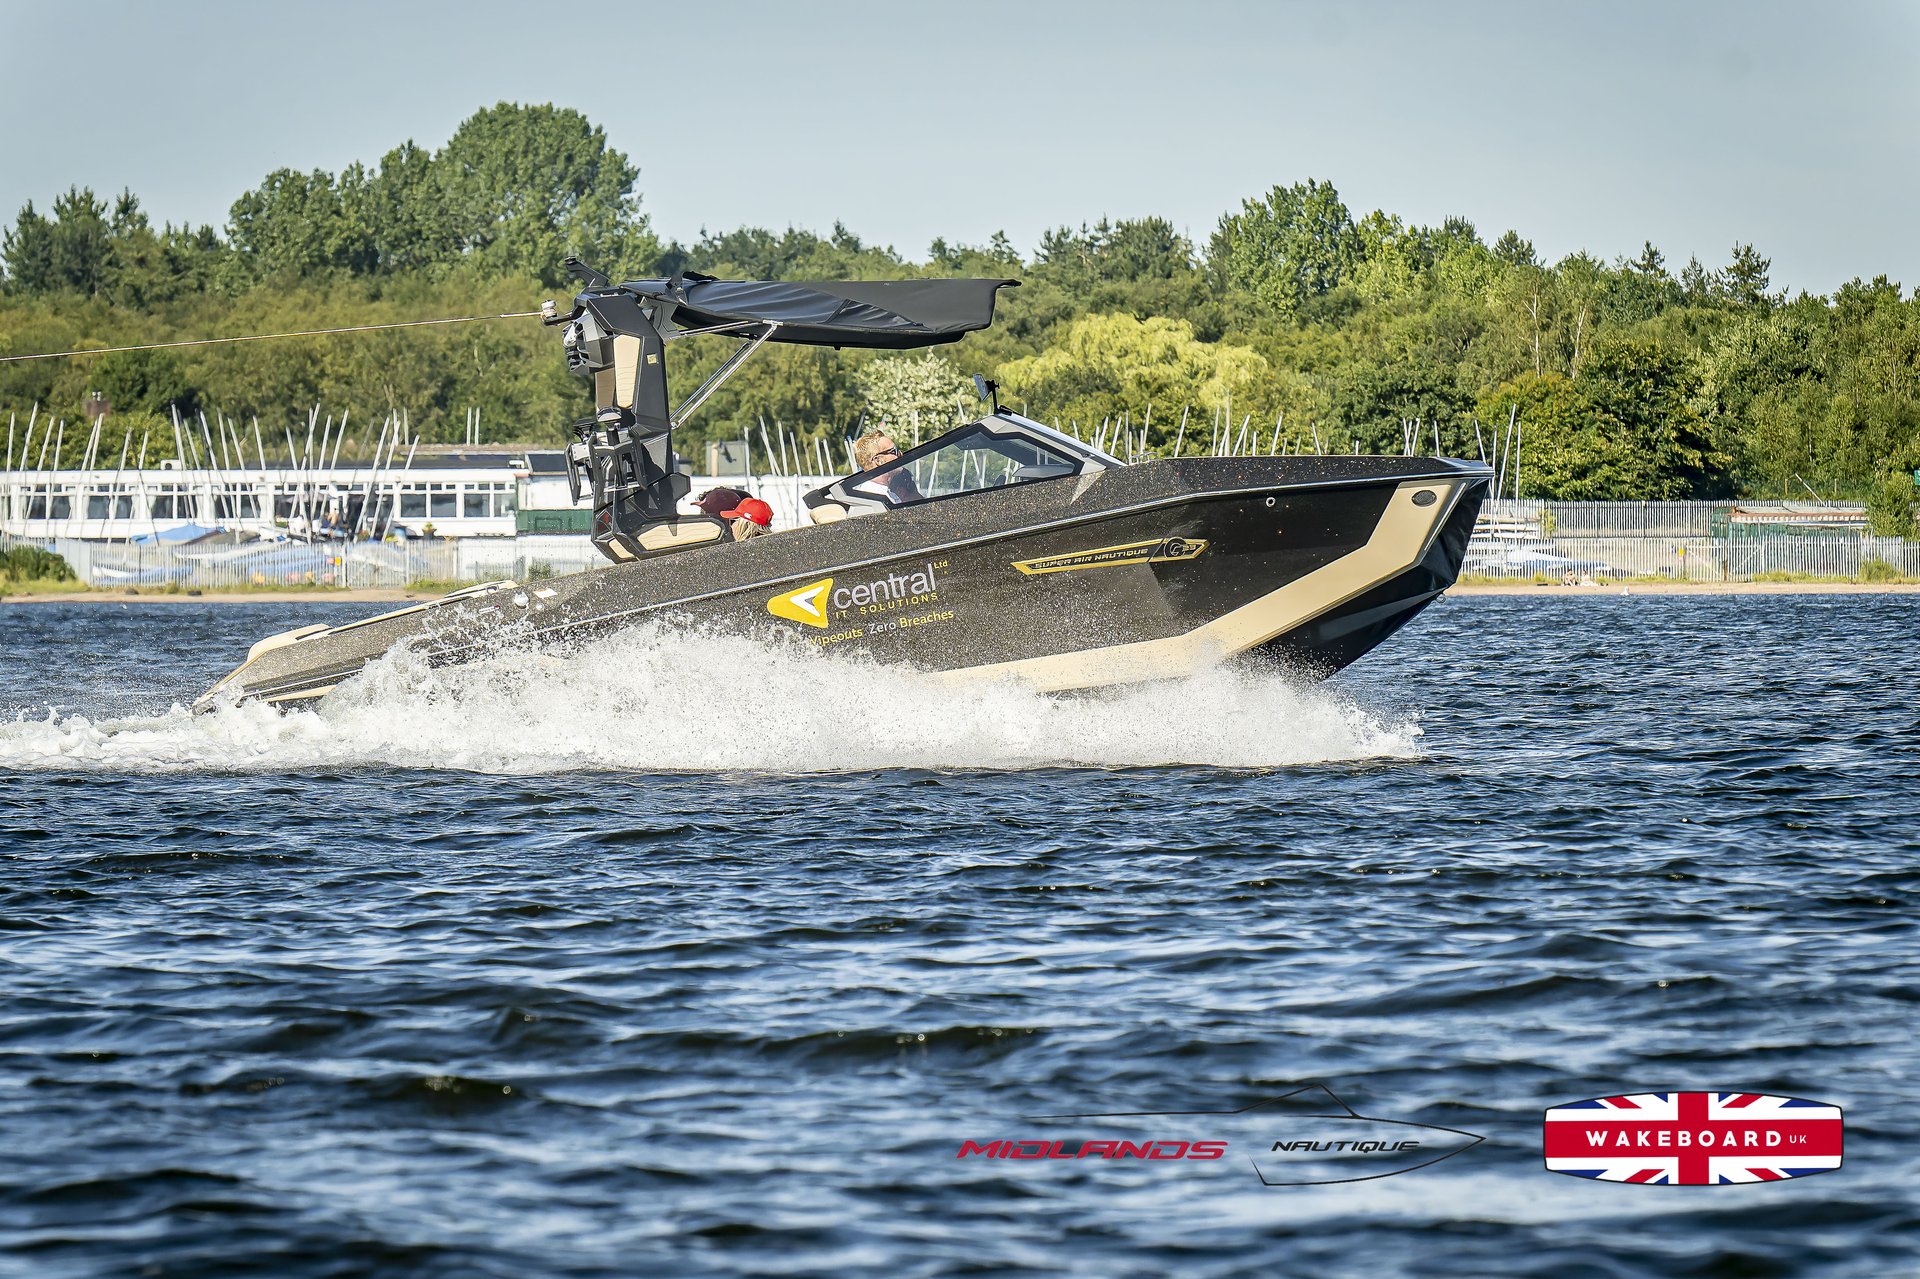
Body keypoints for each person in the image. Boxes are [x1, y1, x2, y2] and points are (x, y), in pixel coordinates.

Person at [851, 429, 923, 503]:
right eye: (894, 451)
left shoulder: (888, 494)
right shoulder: (870, 499)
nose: (900, 454)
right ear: (878, 460)